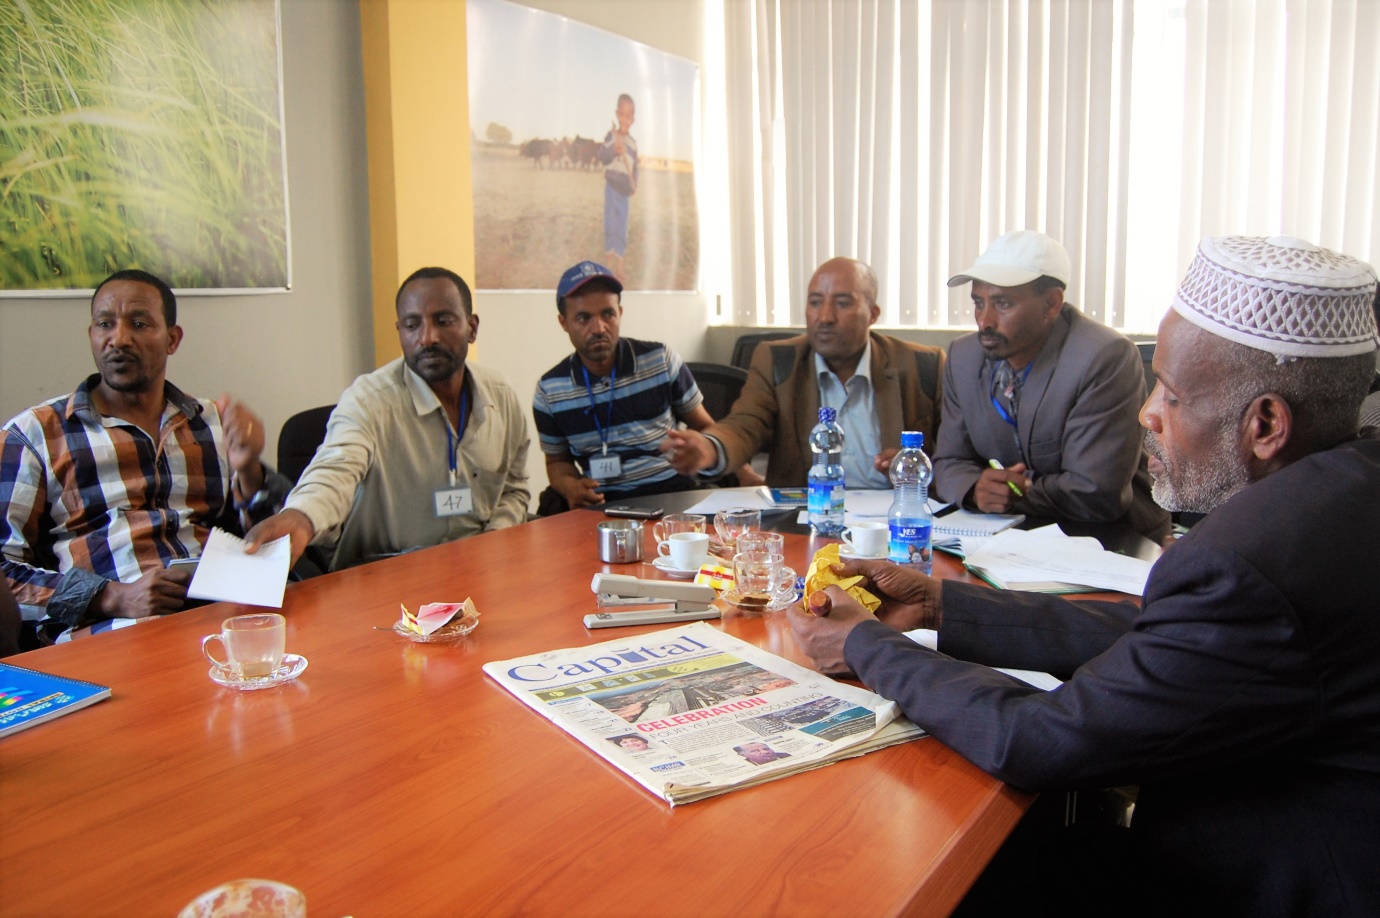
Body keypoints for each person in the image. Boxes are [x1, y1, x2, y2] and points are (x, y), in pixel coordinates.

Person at [787, 235, 1380, 916]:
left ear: (1266, 423)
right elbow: (1163, 634)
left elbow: (1041, 739)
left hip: (1250, 883)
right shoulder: (1343, 491)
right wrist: (942, 605)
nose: (1147, 415)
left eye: (1174, 395)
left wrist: (862, 644)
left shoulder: (1250, 561)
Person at [1, 269, 287, 643]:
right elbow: (5, 573)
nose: (118, 339)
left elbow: (271, 543)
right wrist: (112, 597)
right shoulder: (37, 434)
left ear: (172, 339)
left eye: (139, 323)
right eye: (105, 324)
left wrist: (250, 470)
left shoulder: (212, 423)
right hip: (108, 632)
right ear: (92, 335)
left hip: (220, 617)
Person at [245, 267, 530, 571]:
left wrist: (491, 542)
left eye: (443, 321)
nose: (428, 337)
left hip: (479, 571)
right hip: (385, 573)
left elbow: (514, 488)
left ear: (472, 328)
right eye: (412, 325)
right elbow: (334, 470)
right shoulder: (368, 400)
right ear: (400, 331)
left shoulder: (500, 395)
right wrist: (301, 517)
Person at [933, 230, 1170, 541]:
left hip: (1110, 540)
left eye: (1002, 304)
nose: (984, 321)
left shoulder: (1103, 356)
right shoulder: (964, 357)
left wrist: (1014, 490)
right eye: (979, 303)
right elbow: (949, 462)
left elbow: (1095, 493)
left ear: (1052, 304)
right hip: (1007, 538)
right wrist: (976, 489)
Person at [662, 257, 944, 488]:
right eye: (815, 302)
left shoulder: (922, 365)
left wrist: (913, 468)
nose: (825, 317)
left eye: (843, 303)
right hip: (806, 517)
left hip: (894, 517)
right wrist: (710, 448)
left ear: (872, 314)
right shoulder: (778, 360)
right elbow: (745, 425)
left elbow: (954, 456)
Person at [533, 261, 717, 511]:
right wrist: (571, 487)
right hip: (601, 504)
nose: (598, 328)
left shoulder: (660, 360)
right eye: (583, 318)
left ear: (620, 312)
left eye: (607, 314)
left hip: (672, 494)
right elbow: (557, 463)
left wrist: (697, 447)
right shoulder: (550, 390)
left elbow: (706, 426)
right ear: (563, 322)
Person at [600, 93, 638, 282]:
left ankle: (619, 266)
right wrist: (613, 150)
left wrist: (634, 184)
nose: (624, 119)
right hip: (611, 188)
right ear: (617, 114)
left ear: (633, 120)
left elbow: (635, 167)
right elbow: (602, 156)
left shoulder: (632, 143)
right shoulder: (611, 136)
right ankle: (608, 265)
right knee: (610, 224)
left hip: (624, 192)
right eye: (621, 115)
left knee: (621, 227)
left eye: (628, 116)